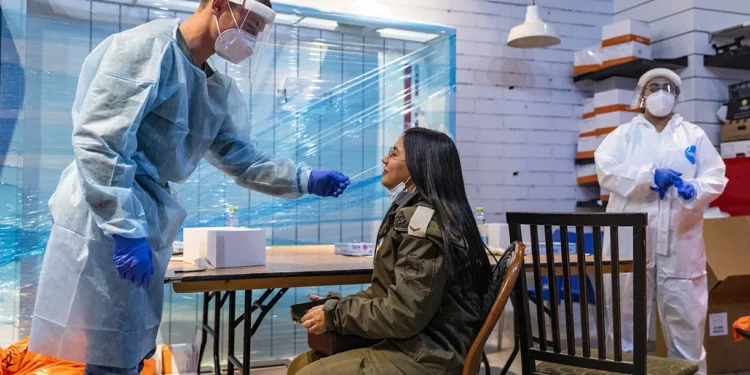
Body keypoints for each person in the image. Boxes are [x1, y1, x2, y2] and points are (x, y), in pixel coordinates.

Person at [28, 0, 350, 373]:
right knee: (112, 350)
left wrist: (304, 178)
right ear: (217, 4)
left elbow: (243, 160)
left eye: (263, 27)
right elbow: (100, 142)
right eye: (252, 21)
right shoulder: (147, 49)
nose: (256, 33)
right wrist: (123, 227)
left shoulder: (213, 87)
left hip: (143, 216)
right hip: (105, 216)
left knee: (128, 346)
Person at [287, 127, 492, 375]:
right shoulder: (409, 213)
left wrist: (337, 315)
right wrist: (336, 307)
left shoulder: (424, 226)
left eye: (393, 154)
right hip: (413, 341)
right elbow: (385, 293)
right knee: (301, 364)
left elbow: (404, 314)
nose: (385, 159)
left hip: (428, 355)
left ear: (418, 165)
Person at [595, 68, 728, 374]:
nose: (662, 93)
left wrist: (695, 188)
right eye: (654, 87)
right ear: (642, 95)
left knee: (687, 324)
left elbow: (716, 177)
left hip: (681, 240)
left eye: (668, 87)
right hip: (630, 239)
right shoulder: (624, 135)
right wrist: (648, 177)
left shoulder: (692, 135)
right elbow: (607, 171)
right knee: (624, 319)